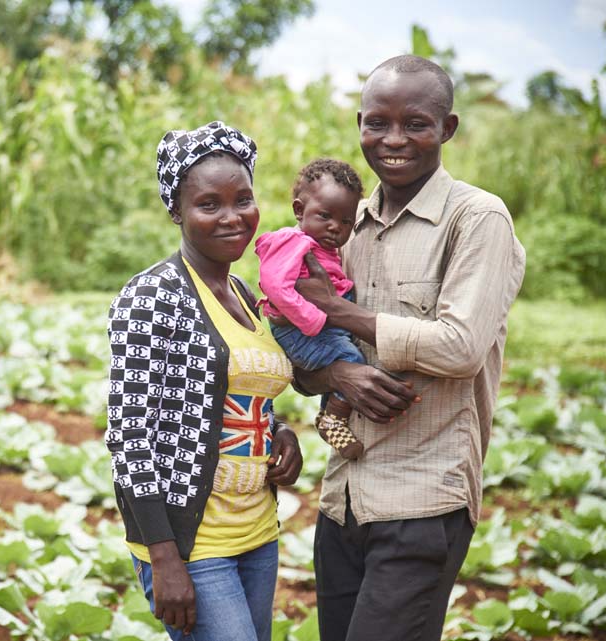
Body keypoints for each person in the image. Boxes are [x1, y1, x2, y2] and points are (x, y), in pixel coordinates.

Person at [290, 55, 527, 641]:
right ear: (361, 125)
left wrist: (338, 310)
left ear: (446, 128)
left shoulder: (476, 219)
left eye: (415, 124)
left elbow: (461, 347)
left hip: (423, 501)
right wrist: (339, 378)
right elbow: (305, 359)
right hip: (342, 500)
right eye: (377, 123)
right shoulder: (344, 223)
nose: (393, 140)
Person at [105, 120, 304, 641]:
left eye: (243, 200)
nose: (232, 217)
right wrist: (164, 559)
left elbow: (239, 392)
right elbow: (130, 436)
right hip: (193, 546)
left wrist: (279, 434)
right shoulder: (152, 297)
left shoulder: (245, 292)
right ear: (176, 211)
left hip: (258, 531)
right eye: (209, 204)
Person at [255, 159, 367, 460]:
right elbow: (275, 285)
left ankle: (331, 414)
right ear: (298, 210)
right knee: (352, 360)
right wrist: (314, 318)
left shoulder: (320, 245)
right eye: (325, 216)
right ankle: (332, 419)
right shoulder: (293, 241)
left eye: (346, 222)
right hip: (298, 330)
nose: (335, 227)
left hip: (313, 326)